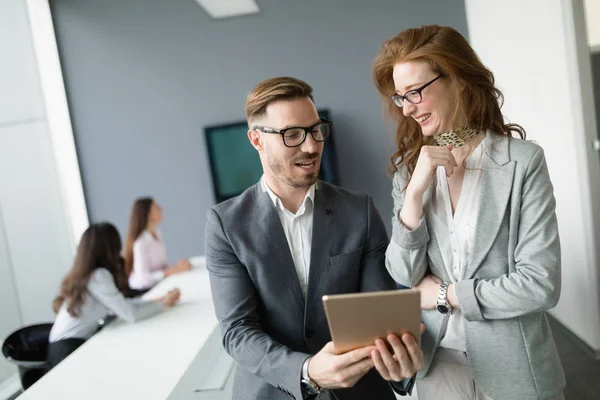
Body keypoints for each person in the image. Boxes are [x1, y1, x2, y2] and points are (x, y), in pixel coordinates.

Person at [372, 25, 565, 400]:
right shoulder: (409, 173)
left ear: (457, 79)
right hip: (435, 369)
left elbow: (540, 285)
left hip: (515, 369)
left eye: (415, 92)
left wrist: (445, 293)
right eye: (400, 97)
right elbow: (404, 275)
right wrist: (413, 196)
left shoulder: (522, 163)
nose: (408, 108)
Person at [205, 77, 423, 400]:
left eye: (315, 129)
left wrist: (399, 364)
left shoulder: (359, 211)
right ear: (256, 140)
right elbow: (237, 331)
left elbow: (379, 319)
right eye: (292, 134)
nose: (311, 146)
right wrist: (306, 371)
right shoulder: (226, 224)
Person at [48, 222, 180, 369]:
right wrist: (163, 304)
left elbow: (122, 305)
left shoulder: (87, 275)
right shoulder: (99, 276)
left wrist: (159, 300)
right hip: (67, 351)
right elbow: (131, 314)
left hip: (62, 348)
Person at [124, 197, 191, 293]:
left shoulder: (157, 234)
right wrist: (169, 271)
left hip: (159, 285)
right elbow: (142, 278)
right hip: (143, 291)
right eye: (156, 207)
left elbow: (161, 266)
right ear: (148, 214)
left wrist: (178, 266)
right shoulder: (140, 243)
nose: (161, 209)